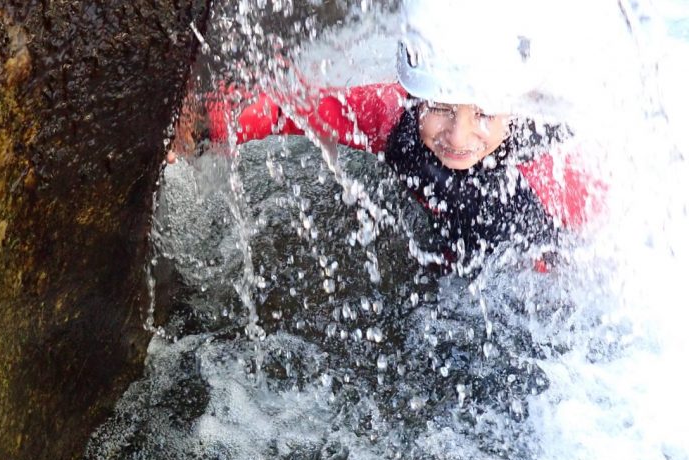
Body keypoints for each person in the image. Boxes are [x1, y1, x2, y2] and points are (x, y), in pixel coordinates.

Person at [175, 0, 606, 275]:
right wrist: (202, 126)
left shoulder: (556, 175)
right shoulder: (395, 118)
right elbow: (298, 108)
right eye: (439, 106)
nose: (458, 135)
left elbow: (586, 267)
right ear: (414, 95)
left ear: (516, 104)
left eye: (484, 113)